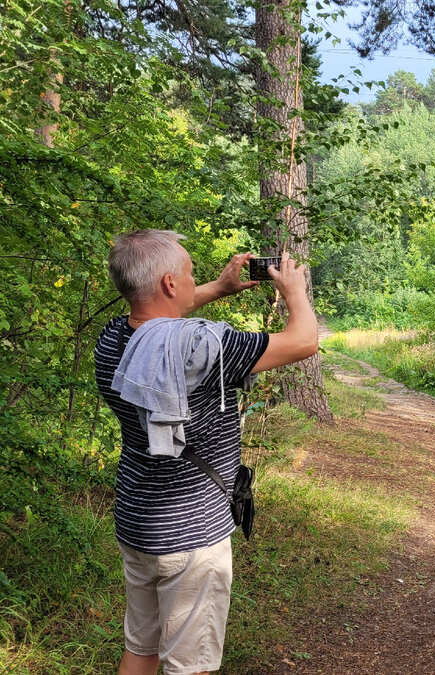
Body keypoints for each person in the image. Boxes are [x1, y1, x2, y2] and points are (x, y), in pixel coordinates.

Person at [93, 229, 318, 675]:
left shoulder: (112, 341)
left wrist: (220, 287)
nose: (195, 281)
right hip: (192, 538)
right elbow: (304, 340)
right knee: (189, 665)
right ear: (171, 285)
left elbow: (156, 319)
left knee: (140, 648)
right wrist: (294, 291)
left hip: (138, 522)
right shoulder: (207, 347)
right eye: (190, 274)